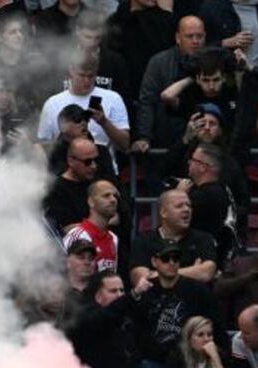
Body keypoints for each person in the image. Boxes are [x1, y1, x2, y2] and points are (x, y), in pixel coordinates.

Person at [131, 239, 224, 368]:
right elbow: (135, 332)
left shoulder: (198, 290)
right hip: (153, 365)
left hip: (189, 366)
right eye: (166, 258)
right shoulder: (146, 291)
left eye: (176, 258)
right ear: (155, 262)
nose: (172, 262)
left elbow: (217, 326)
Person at [37, 54, 131, 173]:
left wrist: (104, 122)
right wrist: (65, 134)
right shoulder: (52, 103)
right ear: (71, 71)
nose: (86, 81)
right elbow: (43, 147)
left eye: (91, 76)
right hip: (64, 173)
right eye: (81, 75)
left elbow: (125, 144)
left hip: (102, 170)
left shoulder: (113, 99)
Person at [68, 269, 154, 368]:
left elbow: (131, 357)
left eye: (122, 290)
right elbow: (106, 317)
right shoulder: (86, 317)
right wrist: (134, 293)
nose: (120, 295)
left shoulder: (126, 321)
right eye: (113, 291)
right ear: (98, 296)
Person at [133, 15, 207, 155]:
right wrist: (144, 137)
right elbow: (147, 102)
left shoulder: (212, 62)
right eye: (190, 36)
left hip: (202, 144)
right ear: (178, 38)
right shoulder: (159, 62)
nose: (195, 41)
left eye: (199, 36)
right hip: (164, 140)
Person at [130, 189, 219, 287]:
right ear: (164, 212)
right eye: (179, 206)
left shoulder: (203, 239)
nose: (186, 209)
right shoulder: (144, 241)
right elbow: (141, 279)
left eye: (189, 205)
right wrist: (193, 271)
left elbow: (205, 274)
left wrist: (157, 274)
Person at [63, 179, 124, 272]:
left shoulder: (113, 238)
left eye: (115, 196)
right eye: (106, 195)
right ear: (91, 202)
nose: (113, 200)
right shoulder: (78, 235)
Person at [163, 315, 231, 368]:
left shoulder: (219, 355)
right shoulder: (178, 354)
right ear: (189, 339)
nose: (206, 339)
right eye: (200, 335)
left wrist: (214, 357)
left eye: (209, 334)